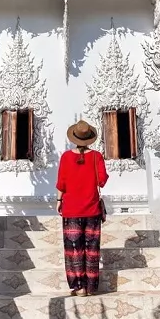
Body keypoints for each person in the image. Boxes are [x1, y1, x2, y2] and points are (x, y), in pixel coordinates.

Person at [55, 120, 109, 297]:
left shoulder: (65, 157)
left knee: (74, 249)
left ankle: (79, 286)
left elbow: (61, 184)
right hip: (92, 210)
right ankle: (91, 286)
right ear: (89, 139)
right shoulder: (96, 157)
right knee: (92, 249)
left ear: (74, 137)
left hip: (71, 210)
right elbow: (102, 180)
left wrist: (58, 200)